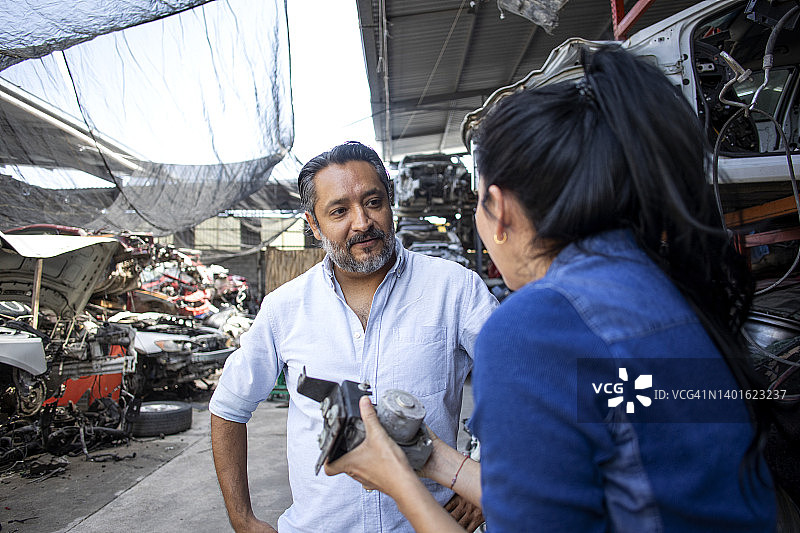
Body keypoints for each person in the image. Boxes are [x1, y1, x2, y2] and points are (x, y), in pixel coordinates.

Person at [325, 46, 778, 532]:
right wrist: (431, 457)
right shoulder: (662, 288)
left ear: (499, 210)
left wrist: (394, 478)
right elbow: (612, 444)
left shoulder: (534, 331)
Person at [209, 141, 498, 532]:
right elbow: (229, 406)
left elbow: (520, 386)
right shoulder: (285, 308)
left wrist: (482, 477)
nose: (362, 222)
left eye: (373, 202)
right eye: (340, 211)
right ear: (314, 224)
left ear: (390, 202)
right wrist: (241, 518)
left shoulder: (455, 289)